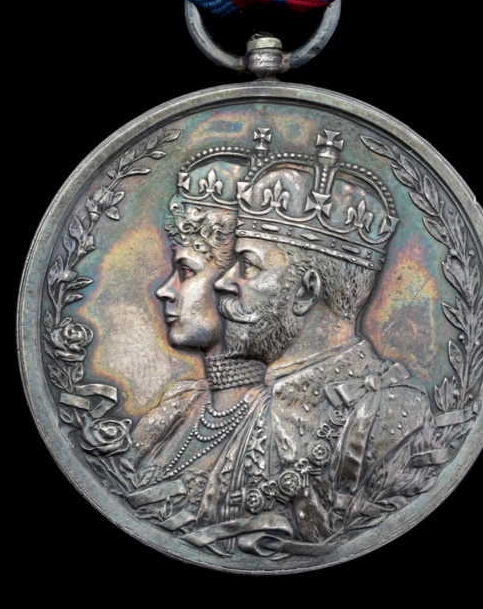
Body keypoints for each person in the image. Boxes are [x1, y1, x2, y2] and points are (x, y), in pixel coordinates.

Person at [182, 127, 449, 556]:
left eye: (247, 267)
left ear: (307, 291)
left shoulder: (393, 414)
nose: (224, 283)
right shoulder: (248, 402)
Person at [125, 149, 266, 529]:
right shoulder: (181, 403)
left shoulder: (279, 420)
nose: (165, 291)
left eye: (186, 271)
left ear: (233, 283)